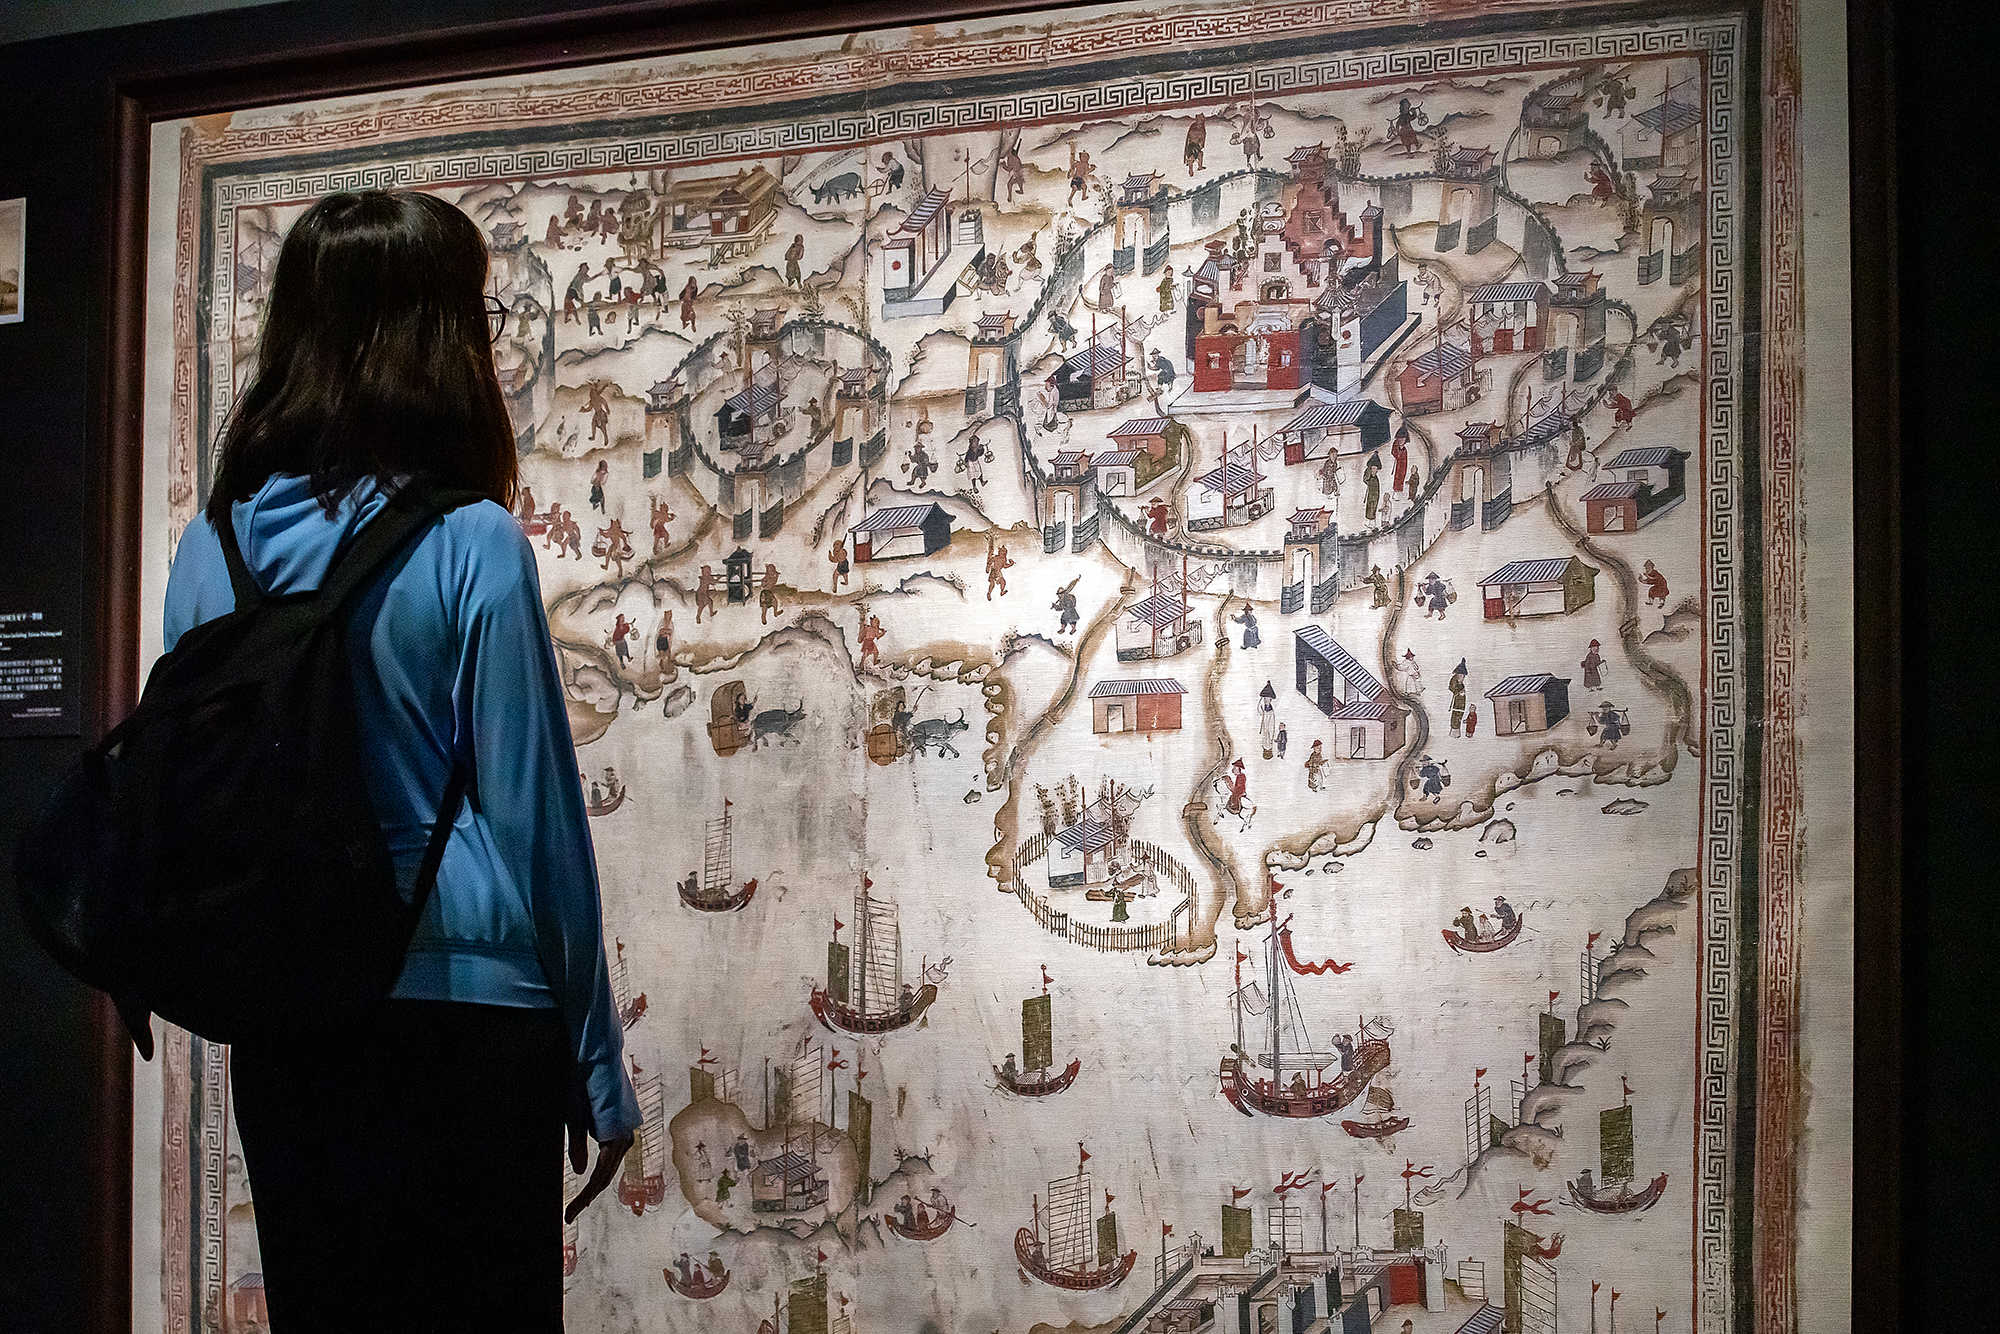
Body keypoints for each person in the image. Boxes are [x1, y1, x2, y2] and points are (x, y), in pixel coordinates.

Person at [160, 190, 637, 1331]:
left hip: (291, 1019)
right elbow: (536, 824)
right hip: (469, 1019)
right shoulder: (473, 541)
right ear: (441, 339)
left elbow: (198, 796)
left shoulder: (208, 547)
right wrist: (596, 1068)